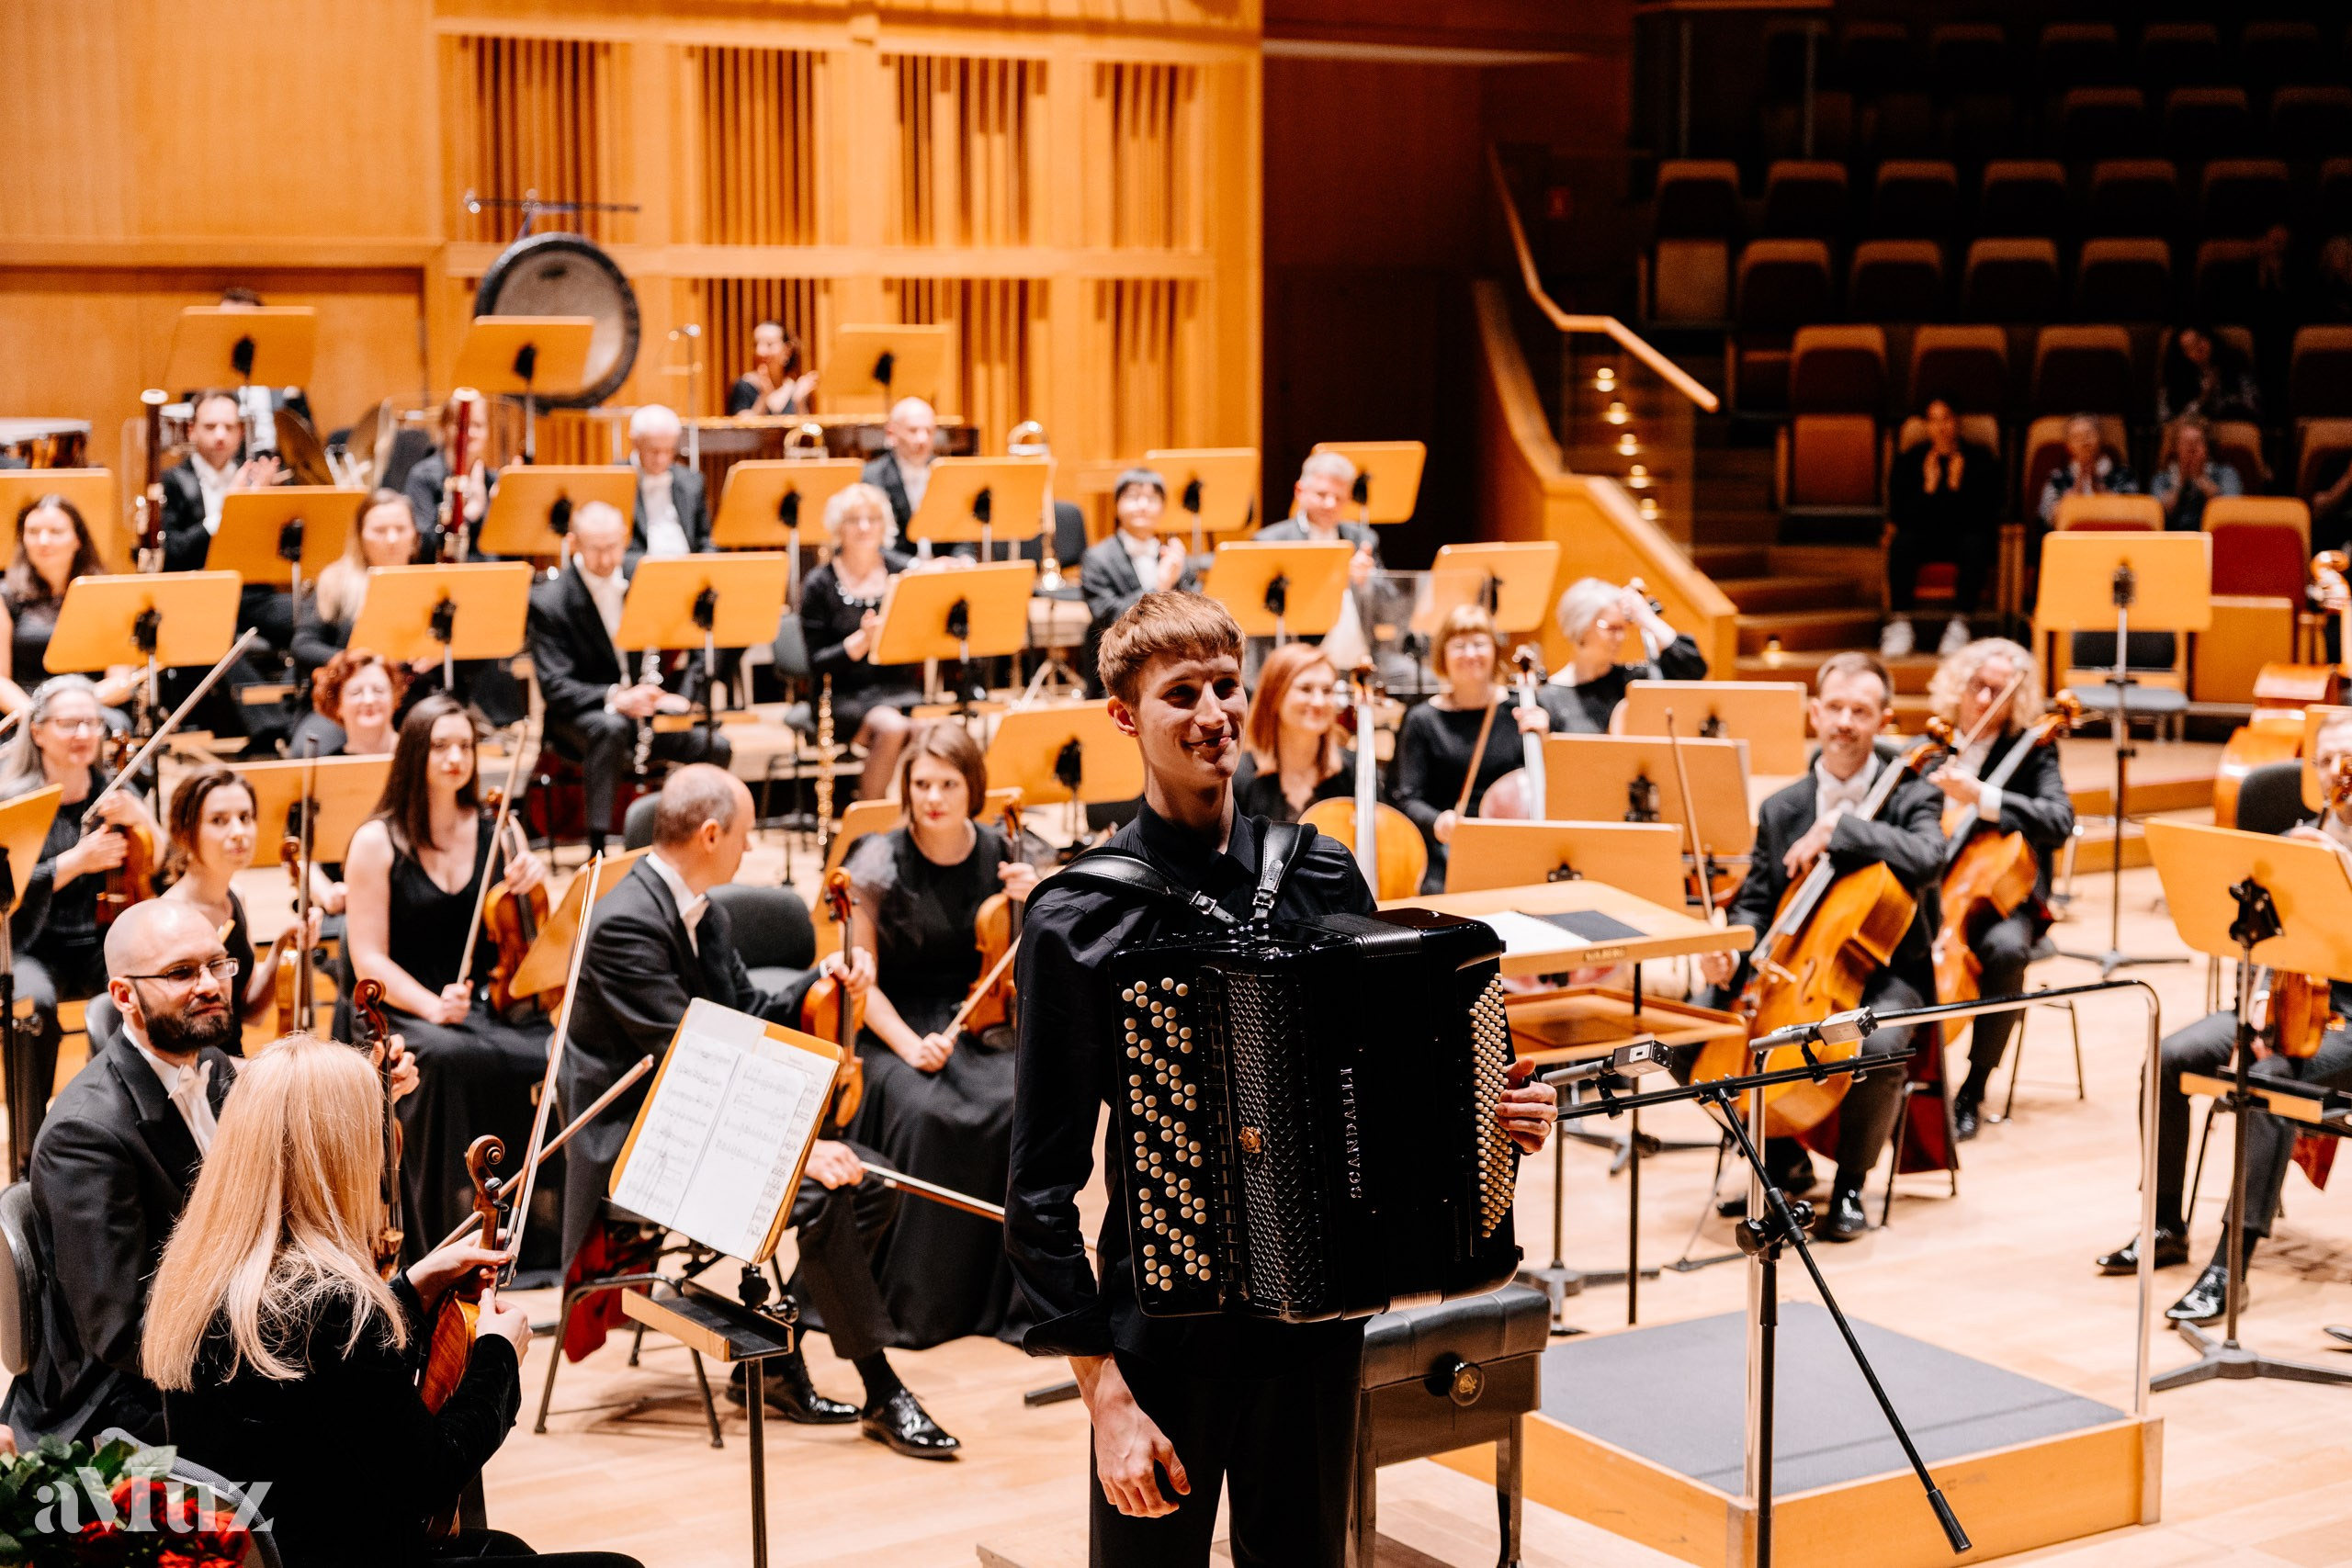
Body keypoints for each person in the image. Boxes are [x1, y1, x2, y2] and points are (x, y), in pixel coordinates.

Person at [1005, 590, 1557, 1566]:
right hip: (1163, 1337)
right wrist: (1106, 1403)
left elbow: (1392, 1085)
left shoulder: (1319, 872)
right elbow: (1038, 1191)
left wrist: (1488, 1123)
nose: (1212, 714)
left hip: (1317, 1329)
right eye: (1181, 694)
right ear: (1125, 717)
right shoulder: (1078, 918)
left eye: (1224, 686)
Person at [562, 764, 960, 1457]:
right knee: (825, 1190)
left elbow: (746, 1017)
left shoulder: (701, 909)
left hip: (691, 1119)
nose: (749, 851)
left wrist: (821, 979)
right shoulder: (624, 924)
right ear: (711, 833)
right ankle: (882, 1387)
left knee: (874, 1182)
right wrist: (799, 1150)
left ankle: (777, 1358)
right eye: (745, 836)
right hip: (640, 1146)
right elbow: (693, 1059)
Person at [142, 1033, 635, 1568]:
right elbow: (433, 1474)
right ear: (339, 1155)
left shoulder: (202, 1269)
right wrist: (497, 1357)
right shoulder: (336, 1304)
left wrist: (414, 1285)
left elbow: (330, 1383)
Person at [0, 899, 413, 1446]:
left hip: (215, 1341)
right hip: (124, 1402)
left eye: (218, 965)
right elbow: (123, 1333)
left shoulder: (214, 1068)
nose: (210, 984)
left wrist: (360, 1101)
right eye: (181, 973)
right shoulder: (85, 1135)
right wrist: (280, 1334)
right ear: (125, 996)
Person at [2093, 709, 2352, 1325]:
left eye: (2351, 759)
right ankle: (2163, 1226)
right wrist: (2258, 1023)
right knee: (2172, 1056)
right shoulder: (2298, 837)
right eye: (2326, 761)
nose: (2339, 772)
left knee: (2266, 1083)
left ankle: (2228, 1268)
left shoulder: (2326, 848)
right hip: (2282, 1003)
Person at [1696, 651, 1945, 1242]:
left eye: (1861, 710)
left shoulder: (1912, 791)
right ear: (1814, 714)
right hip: (1796, 966)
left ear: (1884, 719)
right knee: (1698, 1032)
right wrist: (1733, 952)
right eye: (1834, 707)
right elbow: (1757, 902)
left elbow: (1929, 856)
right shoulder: (1782, 806)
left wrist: (1843, 828)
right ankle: (1779, 1163)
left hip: (1885, 967)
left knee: (1877, 1040)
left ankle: (1852, 1184)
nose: (1845, 722)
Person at [841, 723, 1035, 1347]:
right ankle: (919, 1305)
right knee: (927, 1112)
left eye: (948, 783)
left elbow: (1030, 953)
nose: (933, 797)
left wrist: (1038, 903)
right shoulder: (876, 859)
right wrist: (907, 1045)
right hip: (894, 1024)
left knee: (1013, 1105)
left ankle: (1002, 1303)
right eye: (922, 783)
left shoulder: (1005, 852)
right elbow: (862, 985)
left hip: (976, 1020)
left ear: (970, 786)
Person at [342, 694, 553, 1255]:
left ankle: (535, 1234)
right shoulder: (375, 841)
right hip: (393, 1008)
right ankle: (441, 1237)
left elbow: (525, 938)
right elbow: (369, 958)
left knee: (551, 1050)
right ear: (416, 752)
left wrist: (532, 877)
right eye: (441, 746)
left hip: (478, 1005)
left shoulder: (498, 830)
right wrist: (432, 1007)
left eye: (465, 745)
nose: (456, 757)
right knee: (449, 1058)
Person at [0, 675, 164, 1147]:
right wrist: (72, 863)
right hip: (32, 944)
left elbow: (164, 862)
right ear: (37, 731)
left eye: (92, 723)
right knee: (30, 1008)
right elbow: (4, 889)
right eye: (70, 723)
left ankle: (127, 1133)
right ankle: (29, 1146)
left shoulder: (116, 792)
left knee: (143, 992)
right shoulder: (15, 799)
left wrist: (144, 822)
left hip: (101, 941)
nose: (83, 735)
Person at [1925, 639, 2074, 1139]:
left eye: (1999, 691)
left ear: (2018, 699)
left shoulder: (2033, 751)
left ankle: (1973, 1087)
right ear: (1958, 687)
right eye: (1977, 687)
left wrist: (1983, 796)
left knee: (2007, 952)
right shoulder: (1936, 746)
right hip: (1938, 890)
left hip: (2007, 897)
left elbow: (2058, 819)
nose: (1986, 700)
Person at [526, 500, 732, 857]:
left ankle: (696, 837)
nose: (607, 560)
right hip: (582, 718)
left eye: (613, 548)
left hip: (646, 713)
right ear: (574, 542)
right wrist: (617, 698)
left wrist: (682, 695)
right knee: (610, 729)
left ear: (624, 539)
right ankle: (599, 850)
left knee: (716, 745)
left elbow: (698, 636)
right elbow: (555, 687)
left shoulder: (646, 576)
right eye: (595, 550)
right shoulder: (550, 600)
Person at [1391, 604, 1551, 894]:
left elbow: (1562, 784)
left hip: (1514, 849)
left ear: (1494, 650)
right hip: (1450, 852)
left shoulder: (1523, 709)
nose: (1470, 654)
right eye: (1459, 645)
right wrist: (1437, 821)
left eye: (1479, 643)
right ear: (1443, 654)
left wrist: (1548, 742)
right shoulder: (1423, 720)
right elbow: (1406, 797)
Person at [155, 764, 322, 1039]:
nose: (238, 832)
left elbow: (249, 1012)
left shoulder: (235, 897)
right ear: (184, 831)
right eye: (219, 820)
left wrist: (282, 947)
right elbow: (177, 1040)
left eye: (245, 817)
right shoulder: (169, 918)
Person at [801, 483, 926, 801]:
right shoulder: (819, 583)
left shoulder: (901, 573)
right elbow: (815, 662)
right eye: (854, 519)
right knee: (893, 728)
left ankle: (906, 820)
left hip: (898, 688)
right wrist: (861, 641)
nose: (865, 527)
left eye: (873, 518)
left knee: (927, 732)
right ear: (837, 528)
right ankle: (870, 821)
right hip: (842, 695)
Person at [1881, 400, 2006, 660]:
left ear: (1957, 422)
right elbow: (1901, 516)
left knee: (1976, 544)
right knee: (1902, 542)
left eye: (1946, 418)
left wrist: (1957, 486)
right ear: (1927, 425)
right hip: (1925, 537)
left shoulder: (1980, 460)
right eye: (1933, 420)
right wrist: (1928, 488)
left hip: (1963, 536)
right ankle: (1900, 623)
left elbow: (1985, 517)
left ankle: (1960, 624)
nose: (1941, 427)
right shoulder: (1910, 460)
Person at [0, 495, 138, 716]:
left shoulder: (106, 592)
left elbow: (121, 680)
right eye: (33, 532)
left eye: (56, 532)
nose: (43, 541)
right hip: (28, 711)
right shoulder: (5, 595)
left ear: (78, 539)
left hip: (93, 708)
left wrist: (71, 708)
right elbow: (1, 681)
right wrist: (37, 716)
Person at [292, 489, 422, 692]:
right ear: (360, 536)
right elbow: (303, 647)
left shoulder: (430, 583)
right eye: (379, 530)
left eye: (401, 528)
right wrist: (354, 662)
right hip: (346, 695)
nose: (392, 539)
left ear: (415, 535)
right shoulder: (335, 580)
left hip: (414, 696)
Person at [1080, 468, 1195, 695]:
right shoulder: (1097, 558)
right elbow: (1107, 615)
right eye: (1133, 497)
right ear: (1117, 504)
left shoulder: (1175, 557)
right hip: (1117, 665)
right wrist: (1159, 588)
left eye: (1152, 499)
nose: (1142, 505)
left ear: (1163, 508)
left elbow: (1193, 613)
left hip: (1172, 662)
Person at [1544, 576, 1709, 730]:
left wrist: (1648, 619)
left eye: (1623, 628)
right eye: (1613, 628)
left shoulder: (1633, 682)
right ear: (1582, 628)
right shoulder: (1549, 697)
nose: (1621, 637)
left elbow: (1693, 669)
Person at [1231, 642, 1351, 823]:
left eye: (1327, 690)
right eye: (1305, 689)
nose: (1319, 702)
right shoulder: (1239, 777)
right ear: (1274, 695)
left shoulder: (1352, 770)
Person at [1256, 451, 1380, 588]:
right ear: (1300, 491)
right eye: (1321, 494)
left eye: (1338, 497)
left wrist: (1365, 582)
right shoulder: (1269, 541)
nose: (1330, 505)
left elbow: (1392, 599)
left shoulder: (1363, 538)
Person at [402, 390, 493, 555]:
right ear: (444, 427)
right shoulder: (422, 477)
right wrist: (469, 513)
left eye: (478, 425)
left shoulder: (494, 480)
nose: (470, 434)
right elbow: (424, 545)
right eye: (462, 426)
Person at [291, 646, 410, 761]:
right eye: (356, 692)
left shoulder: (418, 754)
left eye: (378, 690)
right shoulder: (330, 768)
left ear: (394, 696)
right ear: (337, 704)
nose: (369, 700)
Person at [627, 403, 709, 559]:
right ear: (635, 442)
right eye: (654, 451)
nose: (661, 459)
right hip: (641, 572)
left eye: (668, 450)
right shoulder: (616, 479)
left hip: (688, 569)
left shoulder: (692, 481)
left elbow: (705, 539)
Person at [2037, 413, 2137, 529]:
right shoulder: (2057, 478)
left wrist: (2100, 489)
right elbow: (2046, 520)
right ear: (2068, 446)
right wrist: (2075, 492)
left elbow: (2132, 515)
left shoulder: (2124, 475)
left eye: (2089, 435)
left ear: (2101, 438)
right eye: (2076, 437)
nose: (2084, 442)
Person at [2151, 413, 2245, 533]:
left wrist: (2201, 479)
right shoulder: (2161, 479)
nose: (2191, 450)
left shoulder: (2226, 474)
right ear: (2175, 448)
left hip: (2214, 540)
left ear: (2207, 447)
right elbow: (2157, 515)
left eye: (2197, 442)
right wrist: (2180, 483)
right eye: (2185, 443)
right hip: (2173, 542)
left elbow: (2231, 512)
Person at [862, 397, 939, 537]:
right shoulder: (872, 477)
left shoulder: (945, 473)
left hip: (945, 559)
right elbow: (875, 542)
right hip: (899, 559)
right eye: (913, 430)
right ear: (891, 434)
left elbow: (959, 533)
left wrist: (965, 557)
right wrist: (914, 561)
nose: (923, 439)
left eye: (929, 431)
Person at [2156, 326, 2261, 424]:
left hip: (2236, 430)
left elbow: (2254, 406)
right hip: (2195, 434)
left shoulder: (2234, 363)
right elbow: (2165, 420)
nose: (2198, 348)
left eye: (2199, 340)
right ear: (2182, 356)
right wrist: (2203, 398)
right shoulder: (2177, 379)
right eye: (2189, 347)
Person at [727, 320, 817, 415]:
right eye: (755, 344)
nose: (760, 351)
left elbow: (804, 429)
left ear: (787, 351)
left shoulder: (797, 390)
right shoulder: (744, 386)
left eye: (769, 344)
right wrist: (764, 396)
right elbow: (743, 428)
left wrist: (799, 402)